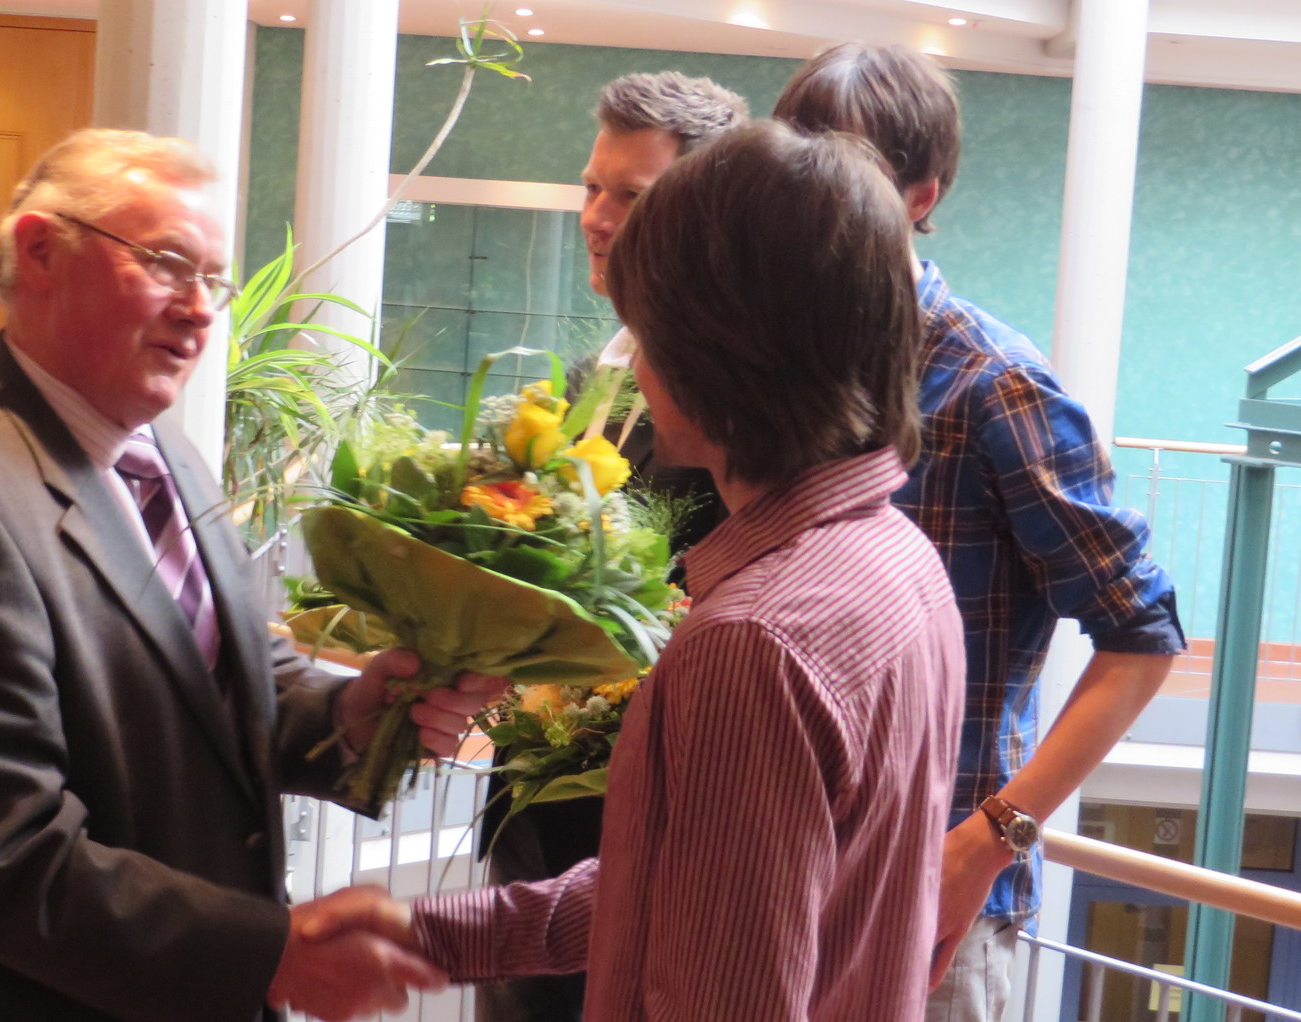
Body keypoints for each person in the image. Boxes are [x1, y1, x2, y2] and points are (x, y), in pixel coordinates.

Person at [0, 128, 500, 1022]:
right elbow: (3, 856)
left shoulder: (160, 452)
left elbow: (219, 681)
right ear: (40, 251)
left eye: (213, 279)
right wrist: (269, 954)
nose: (200, 308)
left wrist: (350, 712)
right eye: (167, 264)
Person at [307, 120, 968, 1022]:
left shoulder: (755, 640)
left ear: (716, 348)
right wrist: (438, 938)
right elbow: (687, 893)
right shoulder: (897, 561)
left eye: (644, 323)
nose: (634, 358)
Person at [774, 42, 1187, 1022]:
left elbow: (1145, 634)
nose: (809, 198)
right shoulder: (775, 368)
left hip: (929, 902)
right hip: (773, 868)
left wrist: (986, 840)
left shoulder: (991, 378)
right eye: (796, 164)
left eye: (850, 172)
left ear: (923, 195)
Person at [477, 69, 748, 1022]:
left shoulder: (747, 410)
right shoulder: (601, 374)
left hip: (660, 853)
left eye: (628, 196)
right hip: (536, 827)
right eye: (592, 187)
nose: (595, 216)